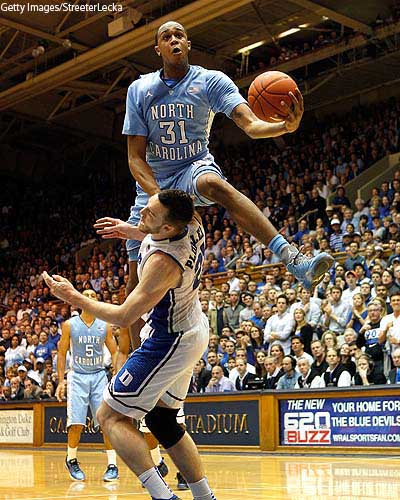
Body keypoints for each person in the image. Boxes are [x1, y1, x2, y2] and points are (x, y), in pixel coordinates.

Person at [122, 22, 334, 332]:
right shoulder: (140, 90)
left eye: (179, 34)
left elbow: (249, 124)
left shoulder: (211, 81)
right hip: (153, 182)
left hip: (191, 168)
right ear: (158, 49)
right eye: (166, 37)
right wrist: (158, 196)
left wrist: (282, 128)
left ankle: (292, 258)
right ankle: (135, 368)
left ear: (189, 44)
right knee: (135, 282)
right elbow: (134, 157)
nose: (173, 39)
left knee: (213, 183)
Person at [44, 190, 216, 500]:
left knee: (109, 417)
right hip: (192, 327)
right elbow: (157, 225)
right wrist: (131, 229)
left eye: (150, 215)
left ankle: (163, 496)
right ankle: (205, 497)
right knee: (163, 420)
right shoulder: (191, 219)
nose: (143, 214)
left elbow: (124, 315)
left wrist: (73, 297)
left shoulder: (164, 263)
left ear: (166, 230)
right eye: (147, 207)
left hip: (170, 338)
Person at [54, 289, 122, 482]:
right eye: (87, 295)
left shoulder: (105, 325)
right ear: (80, 300)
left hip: (99, 375)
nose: (90, 298)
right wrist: (61, 380)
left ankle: (112, 464)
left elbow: (115, 351)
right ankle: (72, 459)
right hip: (77, 376)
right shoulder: (69, 325)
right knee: (76, 423)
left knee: (106, 422)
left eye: (94, 295)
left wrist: (116, 372)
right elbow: (61, 353)